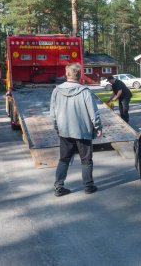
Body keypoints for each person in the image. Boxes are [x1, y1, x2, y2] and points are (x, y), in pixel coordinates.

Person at [50, 63, 103, 197]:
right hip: (83, 131)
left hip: (65, 131)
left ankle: (59, 187)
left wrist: (56, 127)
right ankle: (88, 186)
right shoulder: (85, 91)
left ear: (66, 74)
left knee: (64, 159)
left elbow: (53, 113)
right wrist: (98, 127)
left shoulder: (56, 90)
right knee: (86, 159)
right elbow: (93, 113)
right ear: (79, 76)